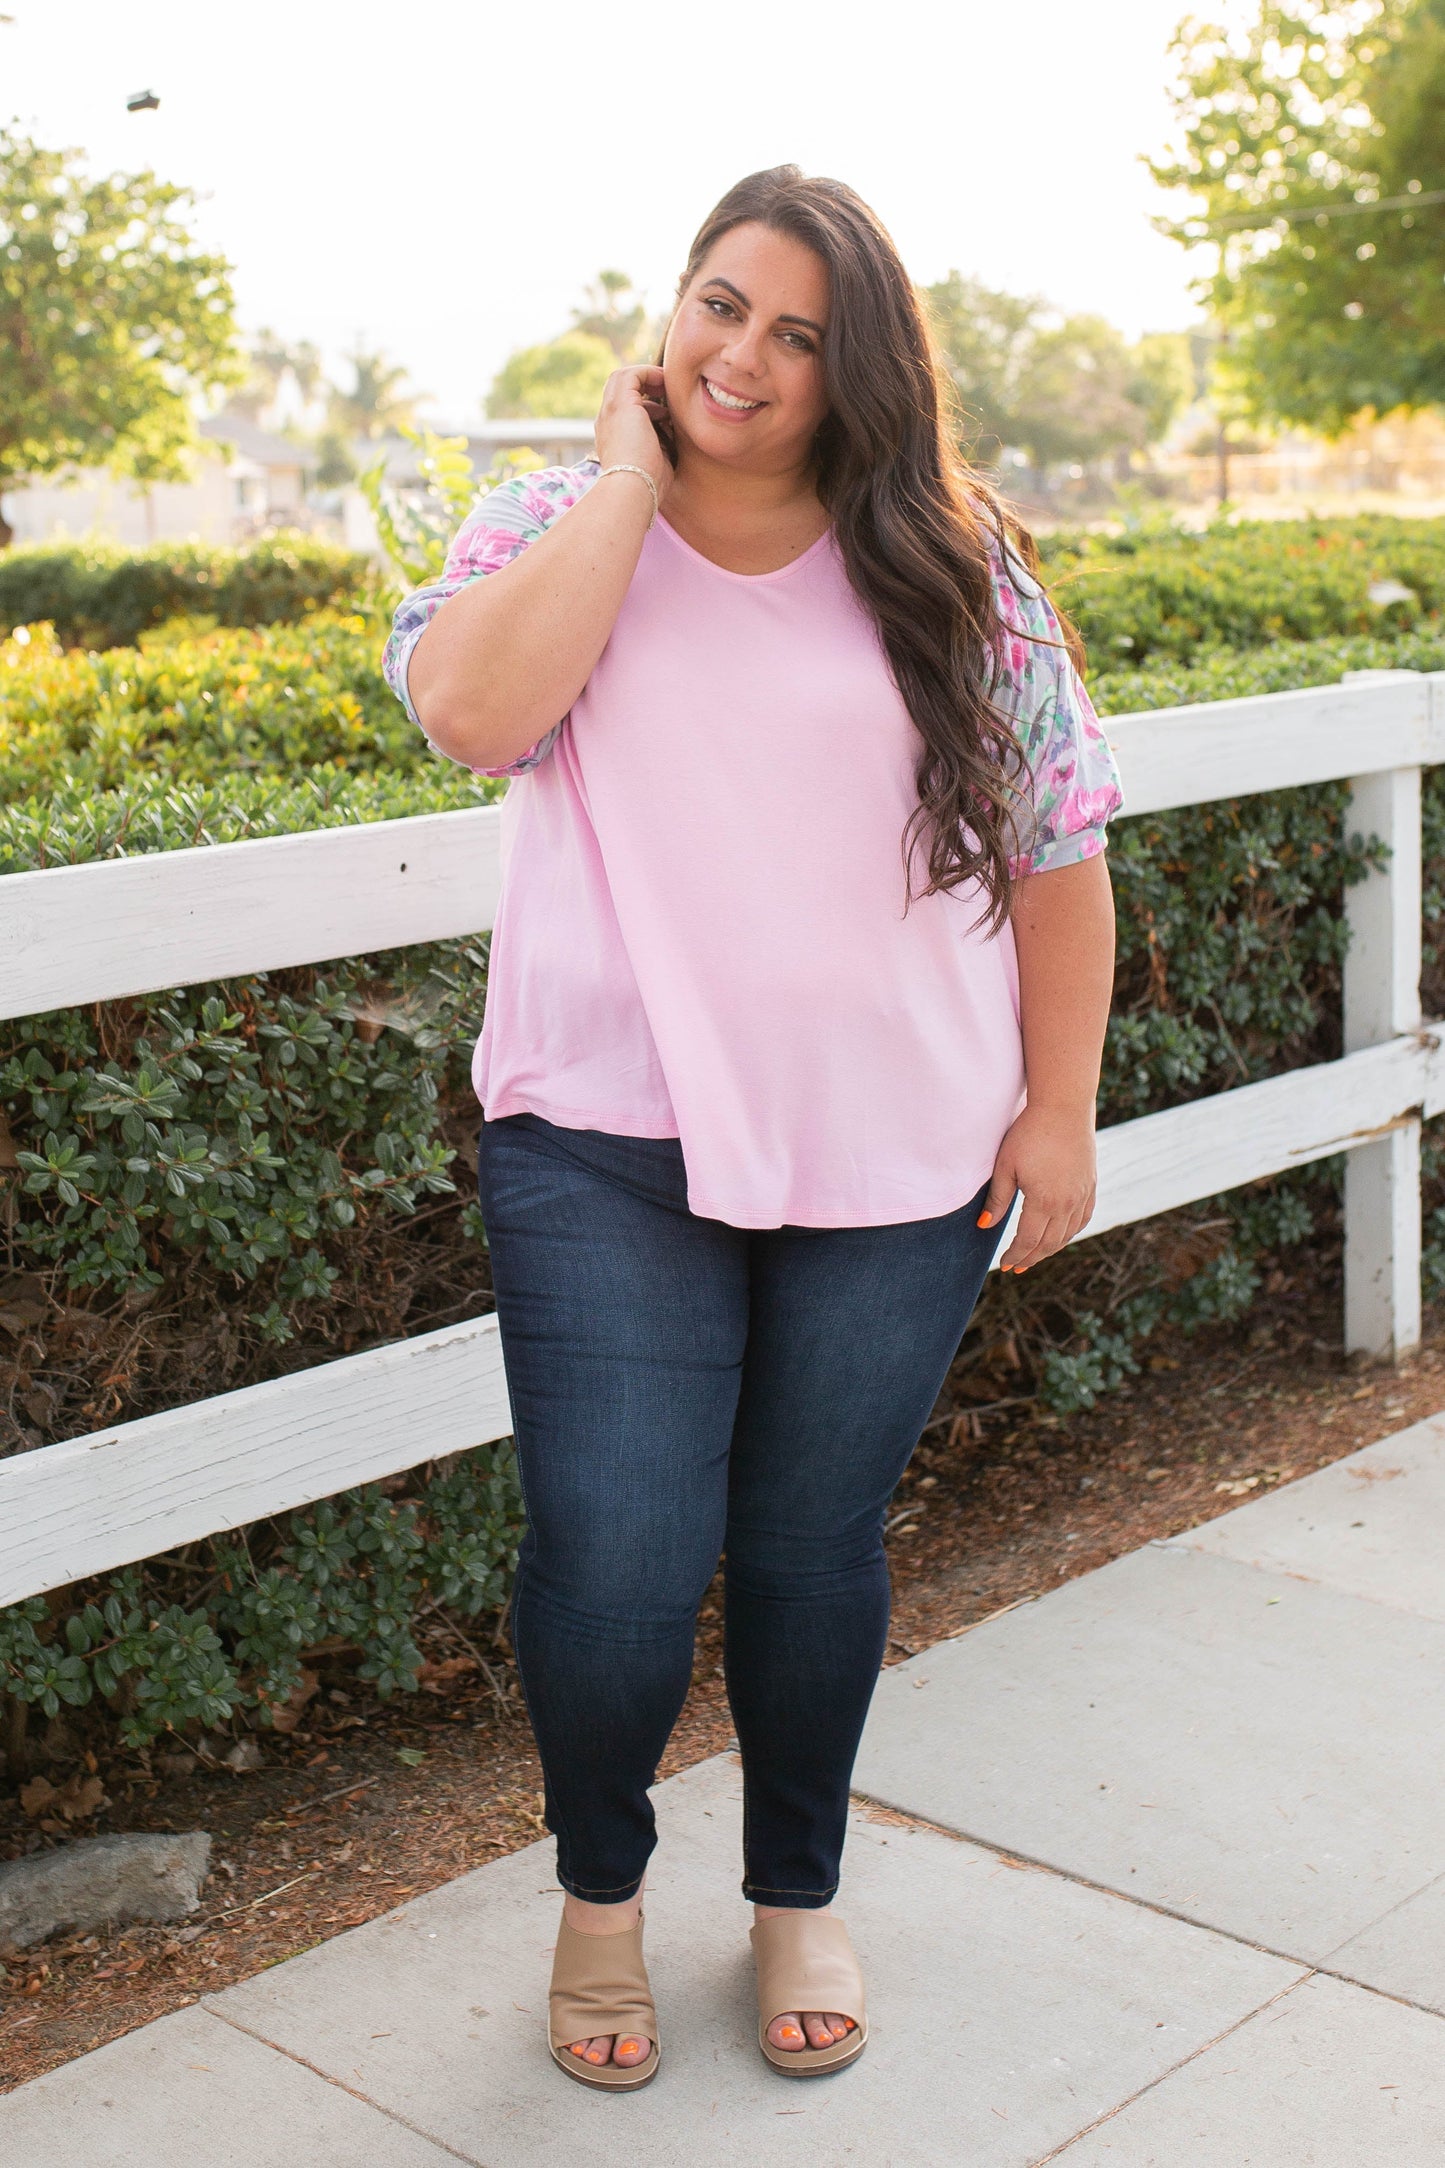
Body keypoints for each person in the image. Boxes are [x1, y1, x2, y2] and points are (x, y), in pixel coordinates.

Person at [383, 164, 1122, 2091]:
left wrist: (1060, 1106)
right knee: (617, 1559)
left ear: (853, 366)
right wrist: (626, 487)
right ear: (669, 309)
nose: (745, 355)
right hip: (606, 1139)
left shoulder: (954, 561)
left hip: (895, 1149)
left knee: (808, 1550)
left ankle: (797, 1891)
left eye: (797, 331)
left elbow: (1058, 849)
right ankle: (603, 1900)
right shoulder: (554, 519)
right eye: (721, 303)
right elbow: (468, 711)